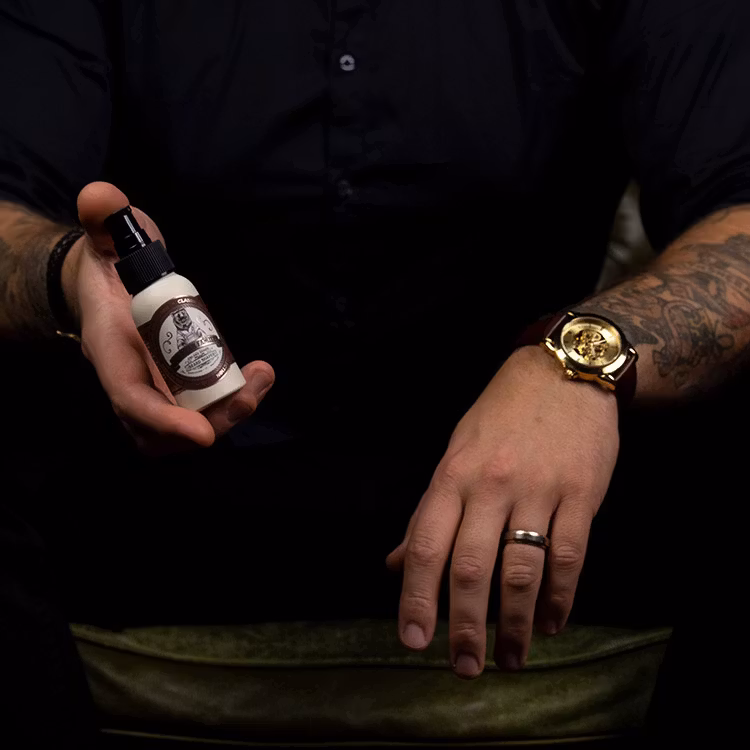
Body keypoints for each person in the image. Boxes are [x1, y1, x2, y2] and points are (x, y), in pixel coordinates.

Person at [1, 0, 749, 745]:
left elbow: (740, 209)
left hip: (543, 501)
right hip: (151, 509)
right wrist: (67, 275)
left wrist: (576, 363)